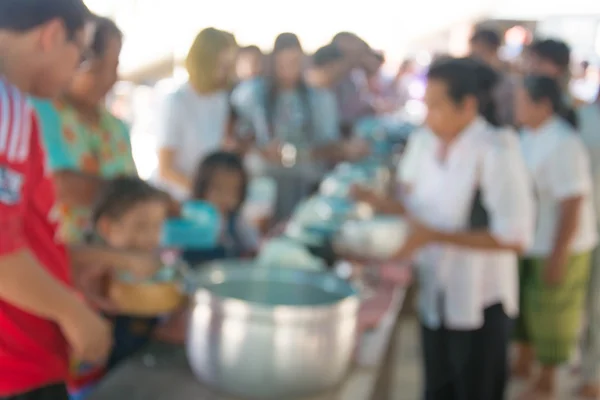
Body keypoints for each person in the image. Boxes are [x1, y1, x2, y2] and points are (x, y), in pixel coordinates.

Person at [352, 57, 534, 400]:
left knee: (475, 389)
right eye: (426, 105)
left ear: (467, 105)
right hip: (435, 292)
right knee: (437, 387)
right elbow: (411, 204)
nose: (427, 115)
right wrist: (375, 203)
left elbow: (516, 237)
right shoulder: (425, 142)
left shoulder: (496, 150)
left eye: (436, 106)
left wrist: (433, 236)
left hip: (480, 302)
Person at [0, 1, 112, 399]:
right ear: (50, 36)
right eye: (79, 54)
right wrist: (73, 312)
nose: (76, 72)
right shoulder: (6, 106)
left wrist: (69, 279)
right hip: (15, 363)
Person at [513, 75, 597, 400]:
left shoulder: (563, 142)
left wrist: (559, 253)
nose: (516, 107)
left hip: (560, 243)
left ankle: (547, 383)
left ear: (543, 105)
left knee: (554, 313)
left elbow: (572, 202)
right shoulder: (529, 134)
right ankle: (525, 364)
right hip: (534, 240)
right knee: (530, 309)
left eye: (522, 101)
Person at [232, 32, 368, 223]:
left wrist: (307, 152)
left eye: (294, 62)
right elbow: (238, 136)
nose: (288, 70)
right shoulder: (252, 94)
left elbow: (331, 144)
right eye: (282, 63)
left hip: (306, 185)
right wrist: (258, 148)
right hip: (263, 189)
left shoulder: (319, 97)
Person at [40, 15, 137, 245]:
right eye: (99, 67)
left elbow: (135, 191)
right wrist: (132, 197)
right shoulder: (41, 111)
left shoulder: (116, 127)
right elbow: (62, 186)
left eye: (114, 67)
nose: (109, 78)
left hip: (111, 263)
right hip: (54, 259)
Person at [153, 28, 237, 200]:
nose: (225, 73)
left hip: (204, 201)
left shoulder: (220, 100)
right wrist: (202, 192)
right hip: (175, 200)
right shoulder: (176, 102)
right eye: (221, 66)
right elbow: (166, 170)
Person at [181, 151, 259, 265]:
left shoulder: (237, 223)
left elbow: (252, 247)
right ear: (202, 188)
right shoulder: (187, 216)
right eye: (218, 189)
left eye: (233, 191)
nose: (225, 197)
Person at [577, 90, 600, 399]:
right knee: (588, 303)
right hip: (585, 226)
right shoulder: (582, 119)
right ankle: (590, 371)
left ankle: (592, 373)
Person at [469, 28, 517, 126]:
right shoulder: (474, 79)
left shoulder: (508, 82)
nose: (476, 60)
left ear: (494, 50)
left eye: (480, 53)